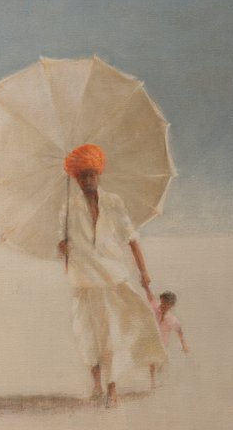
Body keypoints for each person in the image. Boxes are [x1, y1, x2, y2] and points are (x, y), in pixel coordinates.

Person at [58, 144, 166, 408]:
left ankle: (112, 389)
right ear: (75, 178)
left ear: (99, 174)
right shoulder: (68, 207)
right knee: (87, 334)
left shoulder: (114, 202)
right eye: (81, 176)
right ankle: (97, 385)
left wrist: (143, 272)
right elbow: (63, 245)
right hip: (84, 281)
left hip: (112, 278)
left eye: (91, 175)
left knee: (112, 335)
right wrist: (63, 248)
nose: (87, 180)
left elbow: (132, 239)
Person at [142, 285, 188, 388]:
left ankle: (161, 378)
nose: (162, 305)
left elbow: (179, 331)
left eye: (165, 304)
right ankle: (153, 381)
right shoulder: (155, 308)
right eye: (162, 302)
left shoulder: (173, 319)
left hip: (163, 343)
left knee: (160, 362)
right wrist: (146, 287)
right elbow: (150, 298)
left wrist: (183, 344)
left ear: (171, 306)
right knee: (151, 361)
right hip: (152, 340)